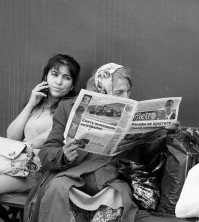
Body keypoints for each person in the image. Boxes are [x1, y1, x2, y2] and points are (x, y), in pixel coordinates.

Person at [24, 63, 138, 222]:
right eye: (119, 92)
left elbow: (145, 154)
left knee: (119, 195)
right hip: (72, 175)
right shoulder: (67, 107)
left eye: (128, 91)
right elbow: (47, 150)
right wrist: (63, 155)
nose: (126, 98)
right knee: (57, 189)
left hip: (108, 178)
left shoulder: (132, 112)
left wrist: (162, 132)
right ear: (101, 90)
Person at [0, 54, 80, 194]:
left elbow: (47, 138)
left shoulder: (70, 109)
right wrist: (31, 104)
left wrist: (17, 150)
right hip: (13, 166)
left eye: (66, 77)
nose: (59, 82)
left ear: (72, 84)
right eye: (54, 74)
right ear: (45, 77)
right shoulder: (36, 105)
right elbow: (11, 136)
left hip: (35, 172)